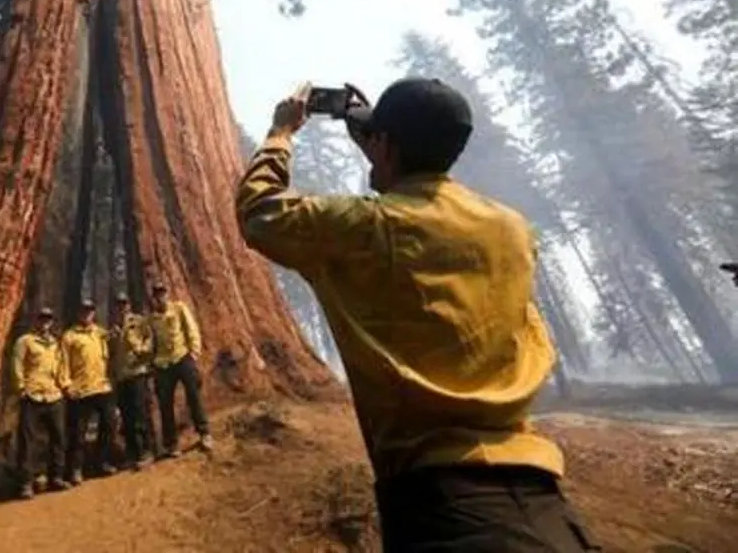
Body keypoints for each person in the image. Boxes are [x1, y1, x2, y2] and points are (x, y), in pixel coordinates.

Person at [235, 79, 600, 553]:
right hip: (544, 503)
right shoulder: (511, 229)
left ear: (384, 144)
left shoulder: (369, 228)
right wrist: (386, 151)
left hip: (445, 512)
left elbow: (260, 211)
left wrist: (281, 131)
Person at [149, 282, 214, 456]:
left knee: (193, 394)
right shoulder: (152, 319)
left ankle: (204, 433)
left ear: (167, 293)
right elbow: (152, 342)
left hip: (182, 356)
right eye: (157, 294)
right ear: (153, 297)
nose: (160, 296)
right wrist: (153, 362)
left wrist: (194, 352)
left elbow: (191, 328)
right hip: (163, 364)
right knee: (165, 403)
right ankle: (171, 444)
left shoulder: (178, 308)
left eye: (162, 292)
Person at [11, 306, 69, 499]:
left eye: (48, 319)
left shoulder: (55, 343)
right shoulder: (25, 341)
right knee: (28, 441)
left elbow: (61, 366)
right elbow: (17, 364)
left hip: (54, 395)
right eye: (42, 318)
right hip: (33, 395)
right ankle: (26, 483)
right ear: (36, 320)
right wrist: (21, 388)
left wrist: (63, 386)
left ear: (52, 322)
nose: (45, 322)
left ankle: (56, 477)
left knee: (58, 438)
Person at [61, 298, 116, 484]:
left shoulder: (100, 333)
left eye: (90, 310)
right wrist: (67, 385)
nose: (87, 314)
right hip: (80, 390)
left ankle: (102, 462)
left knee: (109, 424)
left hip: (102, 386)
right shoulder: (69, 336)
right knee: (78, 432)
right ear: (78, 313)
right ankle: (75, 469)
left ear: (94, 313)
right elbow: (64, 363)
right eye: (84, 310)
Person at [109, 292, 156, 469]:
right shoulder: (114, 328)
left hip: (137, 373)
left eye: (124, 304)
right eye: (118, 304)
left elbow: (150, 342)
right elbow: (111, 354)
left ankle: (146, 451)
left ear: (128, 305)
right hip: (122, 377)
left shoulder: (139, 322)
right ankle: (132, 453)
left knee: (140, 413)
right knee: (127, 416)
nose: (121, 307)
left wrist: (140, 353)